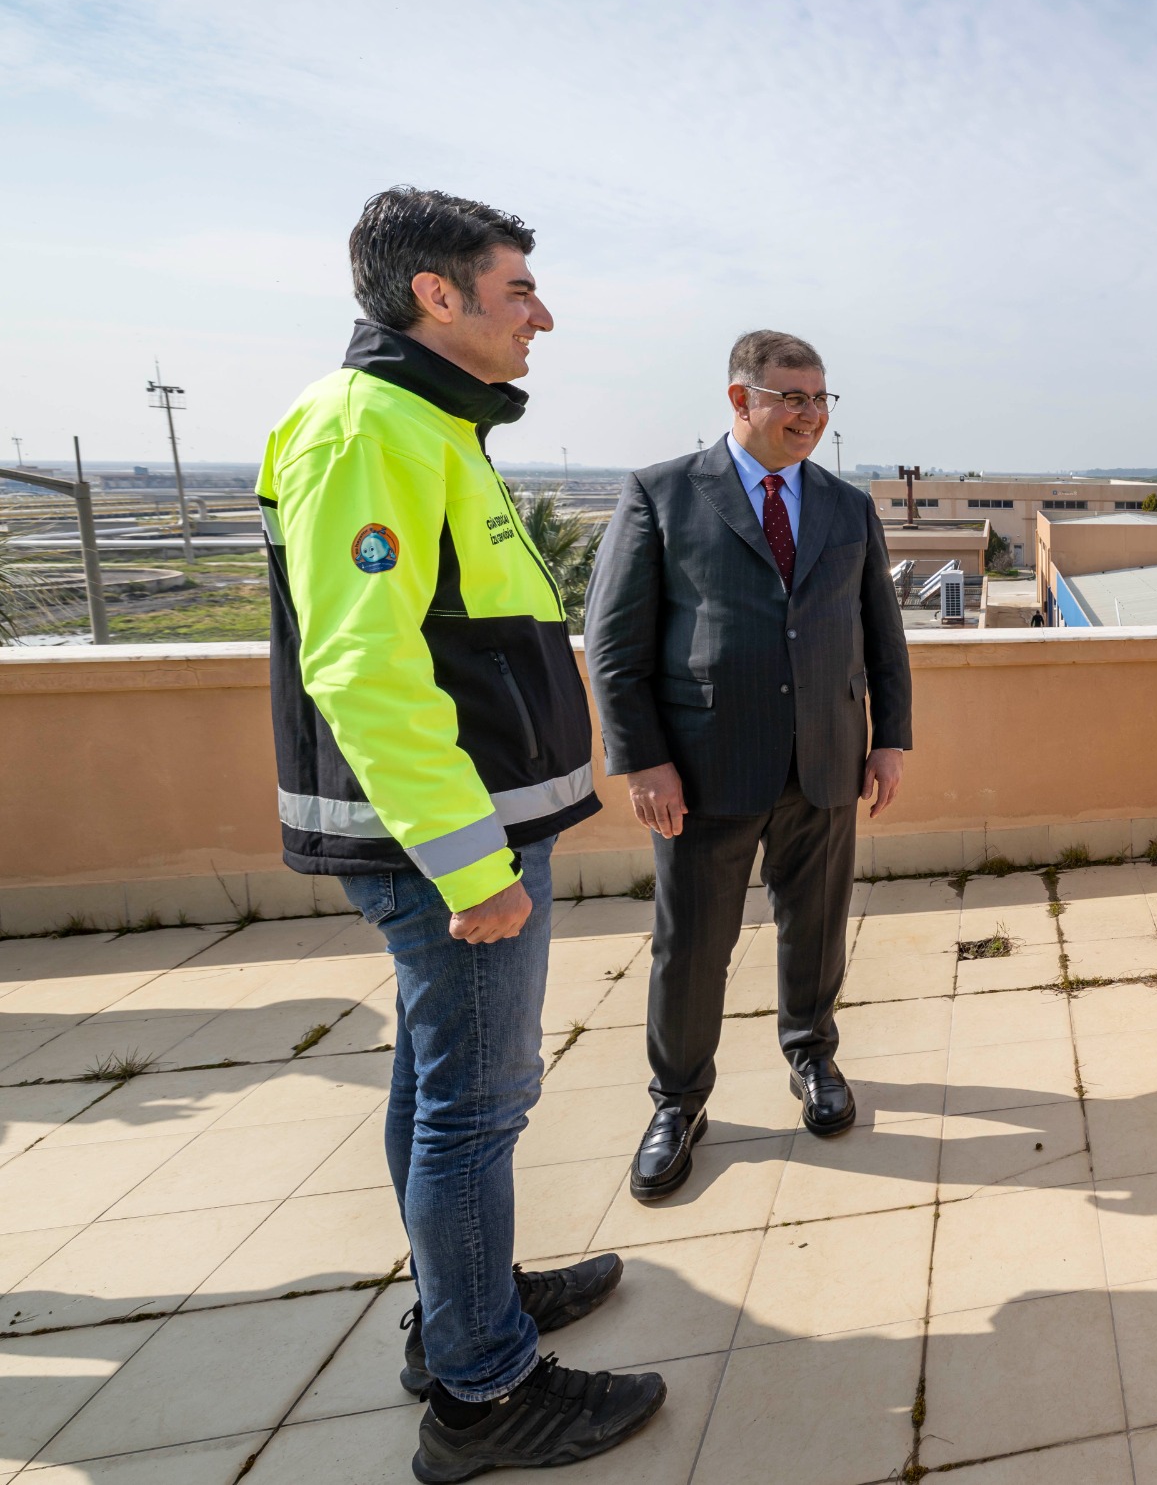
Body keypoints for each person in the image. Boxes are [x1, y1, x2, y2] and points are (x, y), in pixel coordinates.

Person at [260, 187, 662, 1480]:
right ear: (438, 294)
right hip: (453, 847)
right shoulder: (365, 426)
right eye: (518, 289)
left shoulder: (424, 422)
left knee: (443, 1092)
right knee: (475, 1107)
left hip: (470, 832)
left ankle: (465, 1307)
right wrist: (469, 864)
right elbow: (364, 662)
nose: (541, 314)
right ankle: (486, 1392)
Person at [584, 330, 912, 1201]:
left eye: (820, 399)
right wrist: (643, 759)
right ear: (741, 400)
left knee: (817, 926)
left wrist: (890, 737)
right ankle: (679, 1100)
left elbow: (882, 632)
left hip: (827, 763)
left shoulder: (847, 506)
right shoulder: (663, 494)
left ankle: (812, 1057)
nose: (809, 415)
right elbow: (614, 646)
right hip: (704, 769)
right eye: (791, 397)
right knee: (692, 947)